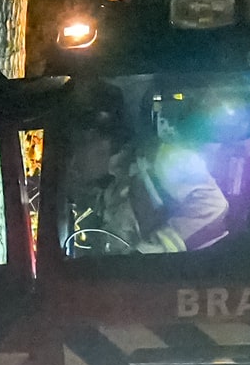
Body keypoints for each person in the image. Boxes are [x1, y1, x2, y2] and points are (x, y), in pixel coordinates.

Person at [65, 102, 230, 253]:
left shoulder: (163, 158)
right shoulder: (113, 186)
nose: (73, 161)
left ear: (104, 141)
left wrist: (150, 252)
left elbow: (212, 205)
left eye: (81, 144)